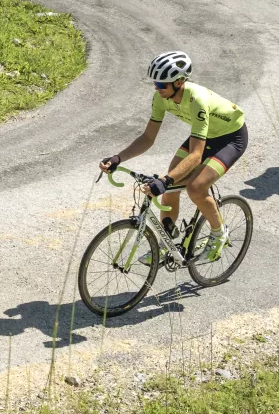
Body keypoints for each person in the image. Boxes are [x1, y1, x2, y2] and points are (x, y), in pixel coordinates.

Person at [98, 51, 250, 263]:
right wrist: (118, 158)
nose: (157, 88)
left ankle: (219, 234)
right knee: (170, 185)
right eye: (155, 84)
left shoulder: (197, 100)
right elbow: (148, 138)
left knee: (195, 187)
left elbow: (196, 155)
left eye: (162, 84)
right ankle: (167, 244)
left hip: (230, 138)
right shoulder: (161, 98)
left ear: (179, 82)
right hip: (206, 135)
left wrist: (166, 180)